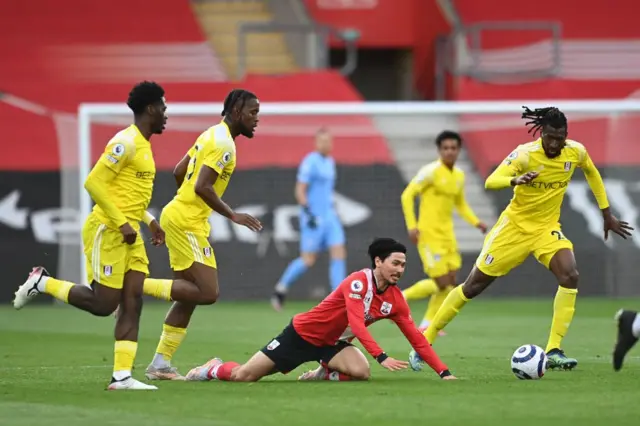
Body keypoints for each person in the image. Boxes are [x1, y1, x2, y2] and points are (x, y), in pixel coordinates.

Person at [409, 106, 633, 372]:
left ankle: (553, 349)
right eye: (549, 137)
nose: (553, 143)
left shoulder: (575, 152)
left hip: (546, 229)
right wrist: (515, 179)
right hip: (513, 229)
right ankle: (426, 340)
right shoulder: (525, 154)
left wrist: (607, 213)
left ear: (565, 135)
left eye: (559, 138)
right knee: (472, 287)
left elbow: (592, 172)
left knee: (570, 275)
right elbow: (491, 181)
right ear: (542, 134)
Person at [13, 81, 168, 390]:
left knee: (133, 298)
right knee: (103, 305)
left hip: (129, 232)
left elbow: (128, 196)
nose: (166, 114)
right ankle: (42, 282)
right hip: (107, 230)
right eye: (163, 107)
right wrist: (122, 223)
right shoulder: (125, 142)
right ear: (151, 108)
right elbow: (94, 183)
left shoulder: (145, 145)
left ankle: (122, 376)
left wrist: (149, 221)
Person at [185, 238, 456, 383]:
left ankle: (323, 371)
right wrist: (381, 355)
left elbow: (415, 337)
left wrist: (443, 372)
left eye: (403, 265)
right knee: (244, 376)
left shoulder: (396, 300)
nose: (400, 269)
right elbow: (357, 324)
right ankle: (212, 369)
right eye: (395, 263)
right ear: (378, 261)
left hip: (333, 344)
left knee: (361, 372)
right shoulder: (358, 282)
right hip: (302, 335)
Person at [140, 89, 263, 381]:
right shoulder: (224, 145)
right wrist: (233, 215)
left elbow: (179, 171)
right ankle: (133, 284)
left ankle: (159, 364)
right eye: (252, 113)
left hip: (182, 216)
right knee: (208, 292)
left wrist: (184, 203)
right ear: (236, 112)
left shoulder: (211, 134)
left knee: (188, 297)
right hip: (187, 222)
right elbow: (202, 187)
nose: (256, 120)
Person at [401, 130, 487, 333]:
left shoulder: (459, 176)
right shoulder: (429, 172)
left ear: (458, 150)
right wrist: (412, 225)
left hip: (448, 235)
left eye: (453, 148)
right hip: (428, 234)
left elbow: (461, 204)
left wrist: (477, 223)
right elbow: (407, 195)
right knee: (442, 283)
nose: (449, 151)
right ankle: (402, 297)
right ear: (439, 150)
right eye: (445, 148)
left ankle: (426, 324)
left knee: (449, 284)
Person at [271, 128, 346, 311]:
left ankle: (340, 296)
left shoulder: (330, 162)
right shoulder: (310, 162)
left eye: (328, 141)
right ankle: (281, 289)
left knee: (339, 251)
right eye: (322, 141)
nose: (325, 144)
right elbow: (300, 190)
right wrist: (308, 213)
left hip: (329, 216)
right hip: (314, 217)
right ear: (316, 143)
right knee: (308, 260)